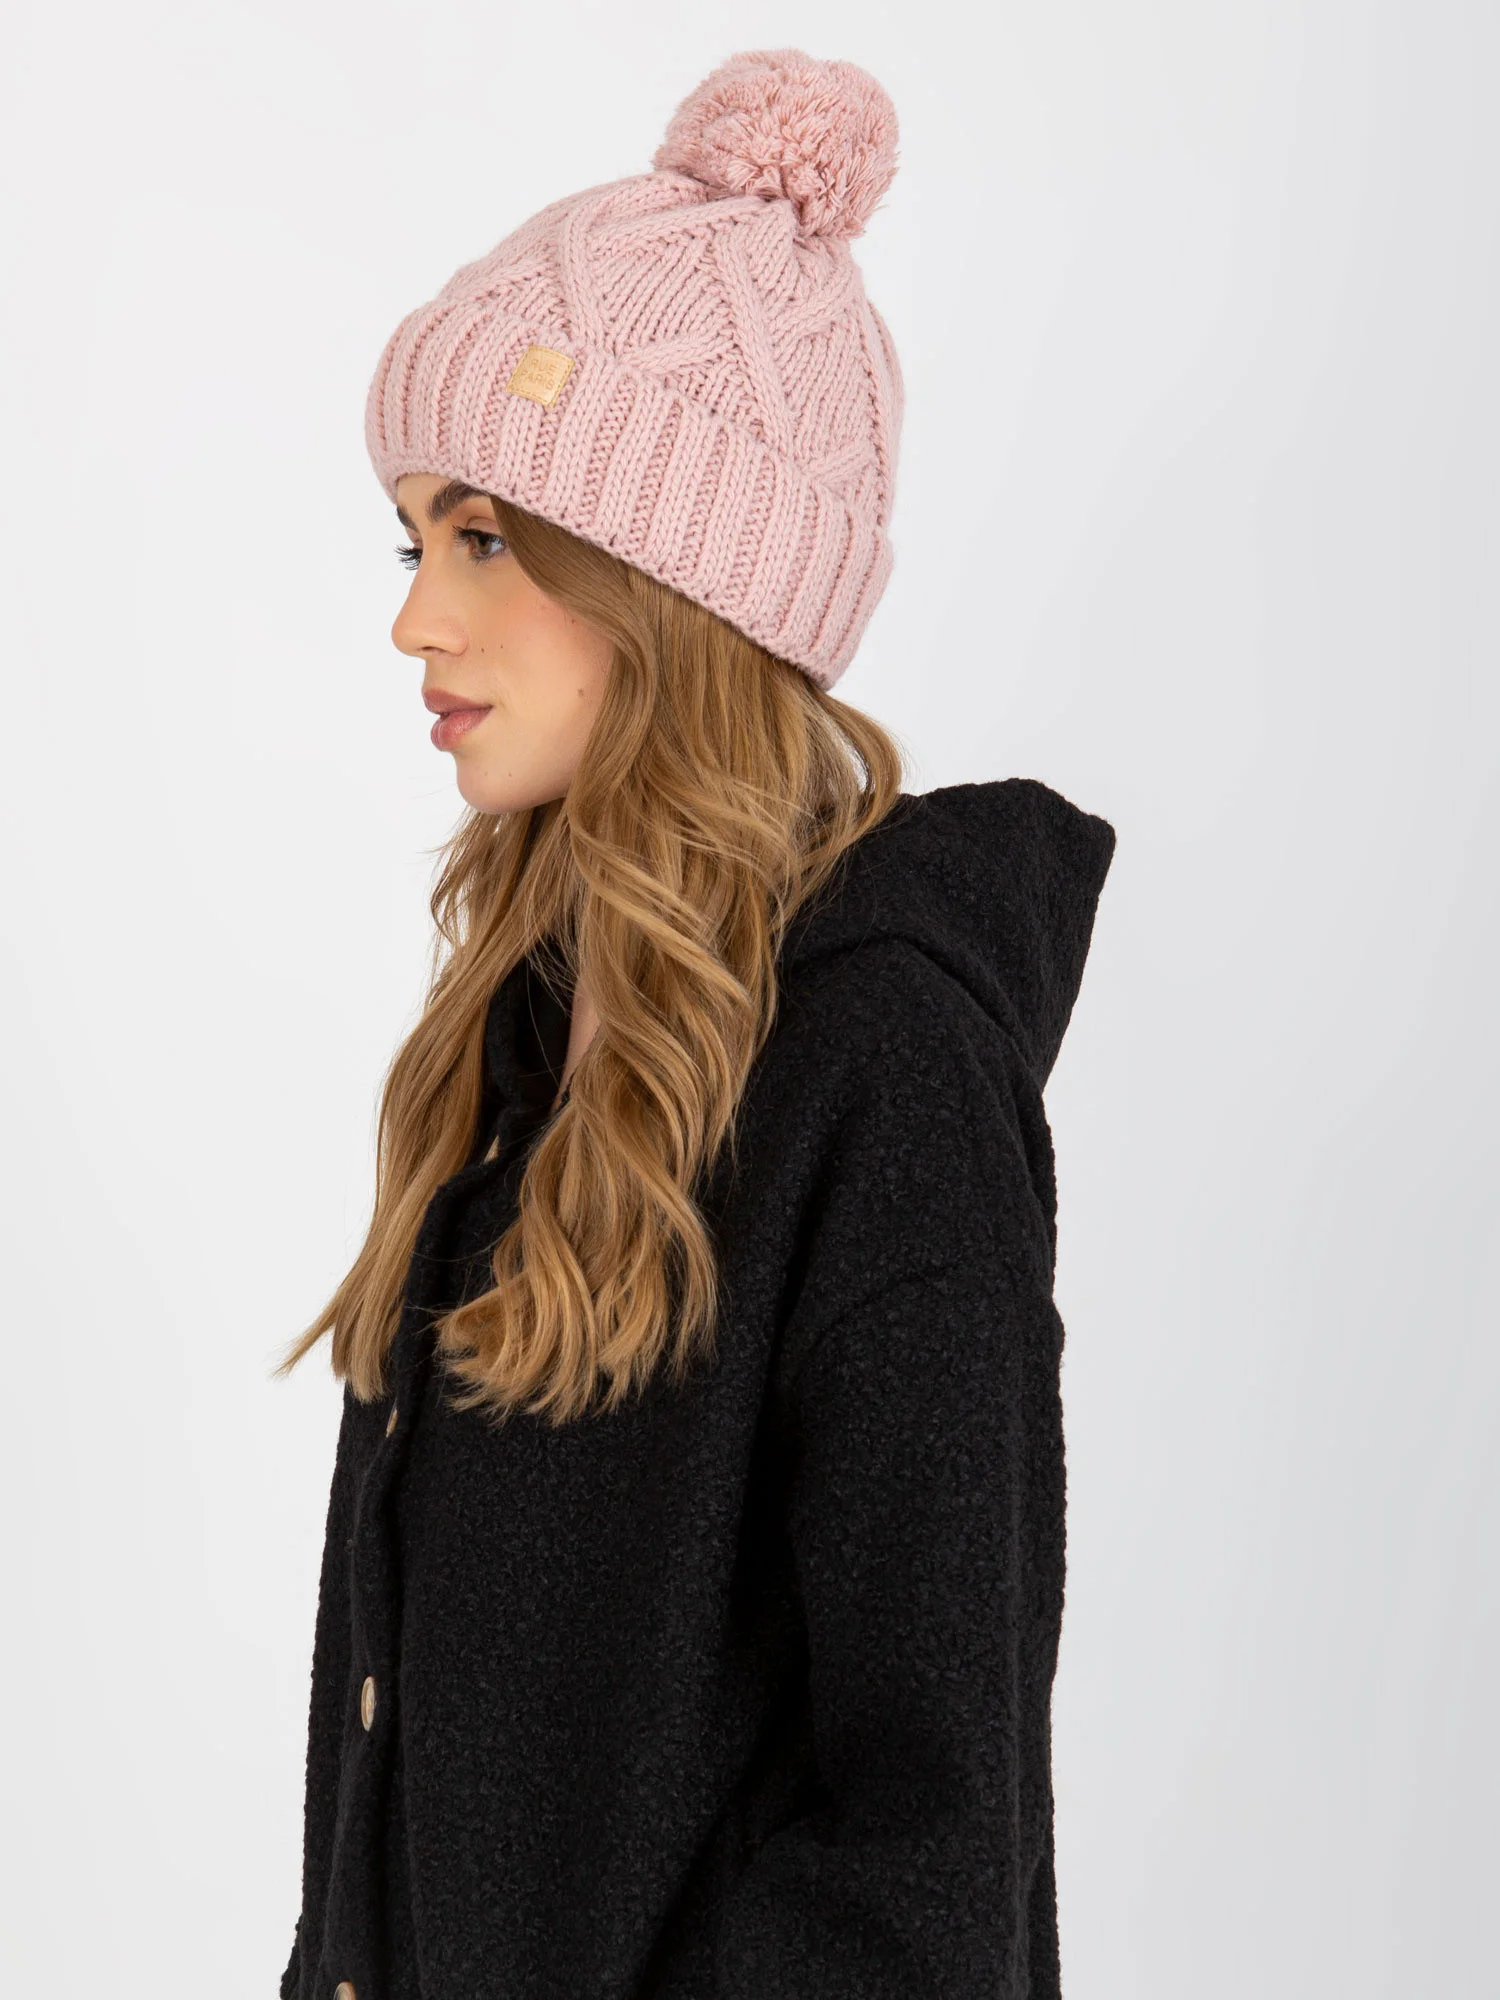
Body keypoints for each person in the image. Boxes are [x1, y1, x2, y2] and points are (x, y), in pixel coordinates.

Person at [273, 47, 1115, 2000]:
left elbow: (926, 1868)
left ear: (665, 581)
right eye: (416, 541)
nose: (417, 619)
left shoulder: (886, 1076)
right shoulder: (518, 1054)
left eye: (486, 539)